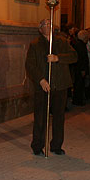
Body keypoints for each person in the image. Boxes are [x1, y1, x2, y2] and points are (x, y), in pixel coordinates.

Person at [25, 19, 77, 156]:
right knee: (41, 118)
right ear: (40, 29)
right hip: (43, 86)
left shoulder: (62, 42)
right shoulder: (35, 45)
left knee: (59, 117)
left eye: (50, 25)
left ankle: (56, 145)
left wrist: (57, 58)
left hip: (60, 85)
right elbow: (30, 65)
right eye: (45, 25)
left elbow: (74, 56)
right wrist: (41, 80)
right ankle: (37, 145)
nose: (48, 27)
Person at [70, 29, 90, 106]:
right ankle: (78, 100)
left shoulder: (78, 44)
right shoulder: (81, 46)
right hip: (80, 69)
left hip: (78, 68)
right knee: (79, 85)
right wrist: (83, 69)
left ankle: (77, 99)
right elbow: (82, 58)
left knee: (78, 84)